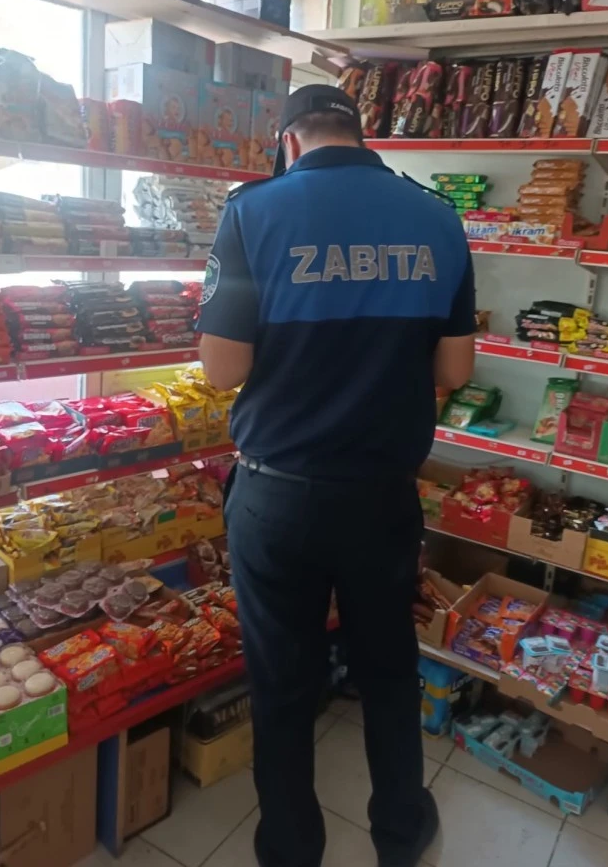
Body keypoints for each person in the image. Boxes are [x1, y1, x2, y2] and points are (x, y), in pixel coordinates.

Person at [197, 84, 476, 867]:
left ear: (288, 142)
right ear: (363, 133)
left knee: (283, 683)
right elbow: (455, 369)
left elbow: (222, 370)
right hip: (382, 497)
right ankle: (400, 834)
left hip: (277, 495)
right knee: (387, 671)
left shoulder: (252, 213)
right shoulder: (437, 216)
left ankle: (291, 849)